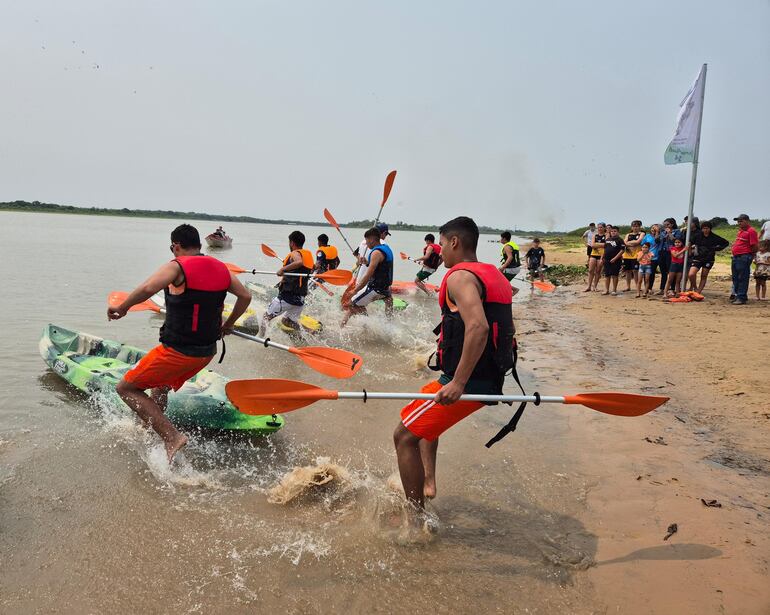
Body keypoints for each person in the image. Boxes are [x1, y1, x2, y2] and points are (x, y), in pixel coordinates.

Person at [393, 216, 515, 517]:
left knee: (403, 436)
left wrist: (458, 383)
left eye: (443, 244)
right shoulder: (492, 275)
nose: (441, 251)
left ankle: (416, 519)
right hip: (489, 377)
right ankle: (429, 482)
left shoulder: (460, 278)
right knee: (425, 406)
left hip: (471, 382)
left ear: (455, 242)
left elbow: (479, 328)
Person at [108, 224, 251, 462]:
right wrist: (229, 325)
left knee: (126, 388)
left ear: (176, 246)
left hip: (177, 352)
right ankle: (145, 428)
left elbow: (147, 288)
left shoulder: (177, 266)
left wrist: (123, 308)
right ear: (199, 245)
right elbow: (245, 296)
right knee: (160, 385)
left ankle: (171, 436)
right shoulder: (222, 268)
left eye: (172, 248)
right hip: (206, 352)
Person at [259, 231, 315, 336]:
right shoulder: (308, 255)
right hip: (300, 298)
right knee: (287, 321)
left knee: (265, 317)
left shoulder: (295, 253)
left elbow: (299, 262)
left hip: (287, 297)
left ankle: (260, 339)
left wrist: (283, 269)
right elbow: (309, 269)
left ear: (292, 243)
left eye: (289, 242)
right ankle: (310, 332)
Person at [342, 227, 394, 326]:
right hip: (386, 288)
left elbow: (368, 275)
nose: (366, 243)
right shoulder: (387, 249)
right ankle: (389, 325)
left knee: (351, 305)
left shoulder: (376, 252)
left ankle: (366, 327)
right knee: (388, 302)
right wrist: (367, 262)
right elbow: (381, 266)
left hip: (375, 288)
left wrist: (355, 290)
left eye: (366, 240)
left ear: (371, 239)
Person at [687, 220, 729, 293]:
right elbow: (690, 242)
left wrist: (716, 249)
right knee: (691, 274)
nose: (705, 230)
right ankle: (695, 288)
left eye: (707, 228)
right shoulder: (698, 236)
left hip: (709, 259)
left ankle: (698, 292)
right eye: (704, 228)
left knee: (704, 276)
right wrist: (690, 252)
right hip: (698, 258)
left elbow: (726, 243)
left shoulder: (715, 237)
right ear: (701, 228)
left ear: (710, 228)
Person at [731, 214, 759, 305]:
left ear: (747, 221)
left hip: (744, 256)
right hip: (736, 256)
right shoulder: (741, 231)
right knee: (735, 277)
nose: (739, 223)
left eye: (741, 221)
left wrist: (750, 255)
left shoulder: (751, 231)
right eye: (738, 221)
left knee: (742, 277)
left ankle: (741, 297)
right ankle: (738, 295)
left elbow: (755, 246)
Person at [657, 218, 681, 294]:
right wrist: (658, 232)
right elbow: (657, 241)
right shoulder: (662, 232)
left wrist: (670, 233)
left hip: (671, 252)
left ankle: (672, 289)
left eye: (667, 224)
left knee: (671, 272)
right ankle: (662, 289)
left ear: (672, 224)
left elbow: (676, 241)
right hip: (661, 252)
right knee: (663, 271)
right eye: (664, 225)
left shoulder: (677, 231)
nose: (666, 226)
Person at [601, 225, 625, 295]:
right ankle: (606, 290)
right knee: (607, 275)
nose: (613, 232)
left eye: (615, 231)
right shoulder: (607, 240)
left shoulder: (620, 240)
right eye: (612, 231)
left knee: (615, 275)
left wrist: (615, 258)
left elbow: (622, 250)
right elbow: (604, 249)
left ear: (618, 232)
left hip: (616, 260)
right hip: (606, 260)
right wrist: (602, 258)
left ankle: (614, 290)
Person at [622, 220, 644, 292]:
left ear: (640, 227)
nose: (635, 228)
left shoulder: (642, 233)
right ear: (631, 227)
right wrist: (633, 243)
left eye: (637, 226)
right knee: (628, 271)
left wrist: (630, 242)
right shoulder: (628, 235)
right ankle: (628, 286)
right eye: (634, 226)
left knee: (635, 271)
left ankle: (638, 286)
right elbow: (624, 242)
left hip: (636, 255)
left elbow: (638, 242)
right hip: (627, 255)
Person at [584, 223, 606, 292]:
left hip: (601, 255)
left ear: (604, 228)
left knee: (598, 271)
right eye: (598, 227)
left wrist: (597, 245)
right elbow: (592, 245)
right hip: (593, 254)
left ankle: (595, 287)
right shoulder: (595, 235)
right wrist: (601, 245)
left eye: (601, 227)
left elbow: (606, 245)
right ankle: (589, 286)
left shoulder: (606, 235)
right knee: (590, 270)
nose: (600, 228)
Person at [641, 224, 661, 289]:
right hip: (649, 257)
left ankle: (653, 288)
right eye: (652, 228)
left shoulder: (661, 236)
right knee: (648, 273)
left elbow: (657, 241)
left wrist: (657, 232)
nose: (653, 229)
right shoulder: (647, 236)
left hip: (659, 257)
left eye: (655, 228)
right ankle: (648, 288)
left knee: (654, 274)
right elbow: (642, 245)